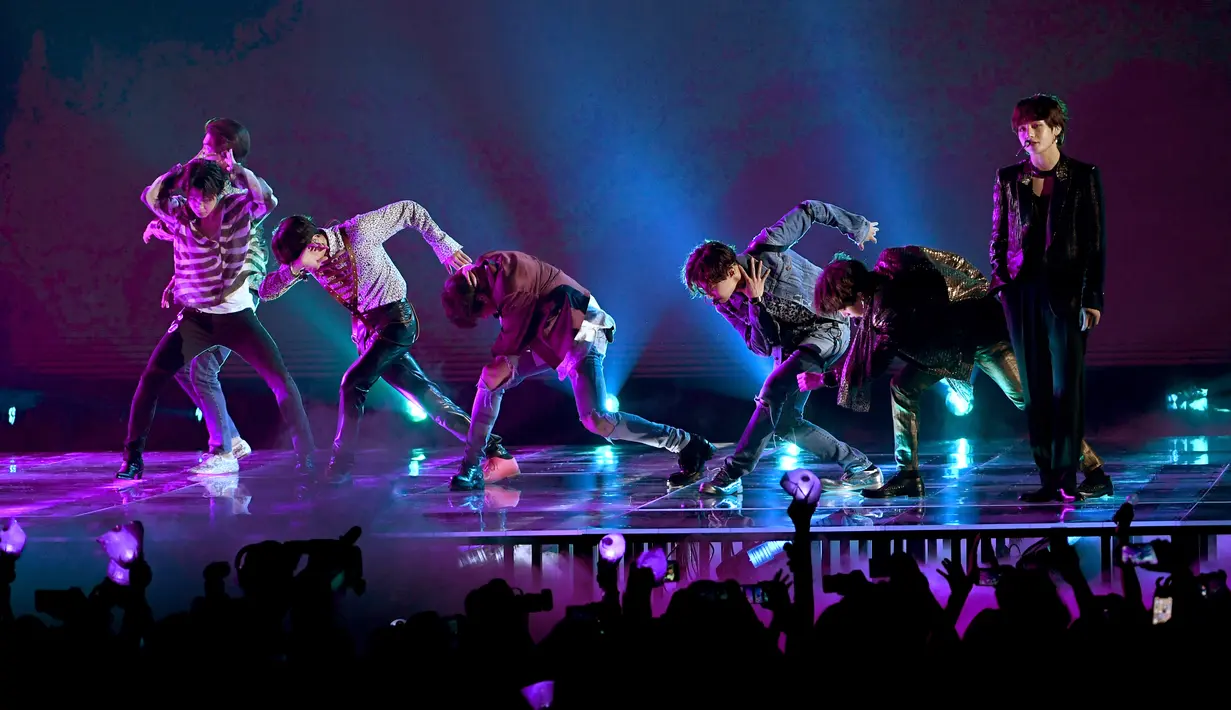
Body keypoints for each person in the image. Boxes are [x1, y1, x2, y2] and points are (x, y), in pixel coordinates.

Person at [801, 248, 1110, 499]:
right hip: (950, 346)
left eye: (842, 309)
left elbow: (875, 362)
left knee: (1033, 402)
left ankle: (1095, 472)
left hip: (983, 339)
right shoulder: (882, 281)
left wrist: (826, 378)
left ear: (854, 296)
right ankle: (908, 476)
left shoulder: (886, 305)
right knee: (902, 387)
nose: (845, 316)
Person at [261, 203, 516, 484]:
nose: (312, 268)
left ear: (315, 243)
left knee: (352, 383)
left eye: (305, 260)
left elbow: (410, 210)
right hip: (369, 334)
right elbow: (266, 291)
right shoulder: (308, 260)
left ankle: (340, 466)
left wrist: (443, 246)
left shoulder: (358, 232)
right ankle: (495, 449)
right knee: (426, 397)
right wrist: (296, 269)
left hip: (397, 321)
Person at [440, 250, 715, 492]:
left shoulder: (511, 286)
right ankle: (472, 465)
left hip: (583, 329)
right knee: (492, 377)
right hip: (552, 334)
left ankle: (688, 444)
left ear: (480, 295)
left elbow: (509, 344)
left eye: (483, 312)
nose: (488, 317)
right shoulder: (486, 269)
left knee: (597, 420)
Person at [119, 158, 315, 480]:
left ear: (220, 192)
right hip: (196, 320)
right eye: (194, 198)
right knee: (151, 379)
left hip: (237, 316)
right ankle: (133, 460)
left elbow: (268, 200)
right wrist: (176, 174)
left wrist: (236, 171)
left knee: (280, 381)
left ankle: (306, 457)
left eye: (206, 198)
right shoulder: (181, 212)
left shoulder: (238, 208)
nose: (200, 205)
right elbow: (151, 198)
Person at [679, 200, 882, 498]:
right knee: (786, 424)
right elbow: (759, 345)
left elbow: (809, 210)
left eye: (709, 286)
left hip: (829, 330)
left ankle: (733, 472)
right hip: (791, 352)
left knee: (773, 389)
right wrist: (756, 303)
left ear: (731, 271)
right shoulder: (727, 304)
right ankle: (861, 469)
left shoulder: (767, 248)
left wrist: (858, 227)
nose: (708, 296)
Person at [990, 94, 1107, 502]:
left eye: (1036, 126)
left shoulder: (1082, 175)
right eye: (1022, 128)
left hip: (1067, 295)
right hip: (1021, 294)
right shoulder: (1009, 178)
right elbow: (999, 238)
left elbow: (1094, 242)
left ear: (1056, 128)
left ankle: (1069, 477)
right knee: (1035, 388)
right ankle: (1047, 480)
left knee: (1066, 388)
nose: (1028, 134)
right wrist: (1003, 286)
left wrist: (1092, 296)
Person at [144, 118, 269, 474]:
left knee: (203, 369)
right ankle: (230, 439)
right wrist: (179, 276)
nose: (201, 148)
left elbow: (222, 242)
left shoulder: (233, 190)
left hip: (235, 294)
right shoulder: (210, 186)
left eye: (207, 144)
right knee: (185, 369)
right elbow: (200, 241)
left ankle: (223, 452)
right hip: (210, 295)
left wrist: (166, 228)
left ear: (224, 151)